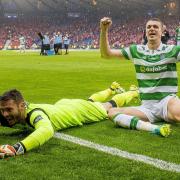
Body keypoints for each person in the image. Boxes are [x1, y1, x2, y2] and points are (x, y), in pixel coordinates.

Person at [0, 82, 169, 159]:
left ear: (22, 106)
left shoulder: (35, 114)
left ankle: (134, 93)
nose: (6, 114)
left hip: (76, 111)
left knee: (107, 107)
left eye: (9, 110)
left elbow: (46, 130)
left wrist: (17, 148)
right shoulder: (18, 111)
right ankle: (111, 88)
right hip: (63, 107)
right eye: (3, 110)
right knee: (91, 101)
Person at [100, 17, 180, 132]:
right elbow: (106, 54)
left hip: (167, 102)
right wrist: (104, 30)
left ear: (162, 32)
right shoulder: (136, 50)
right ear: (146, 32)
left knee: (178, 114)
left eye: (155, 27)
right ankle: (153, 128)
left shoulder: (172, 50)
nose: (152, 29)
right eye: (149, 27)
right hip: (147, 107)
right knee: (112, 113)